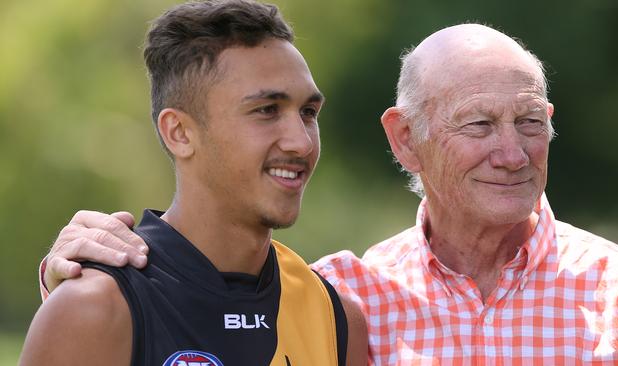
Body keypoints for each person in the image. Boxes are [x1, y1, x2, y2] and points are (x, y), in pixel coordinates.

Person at [35, 23, 618, 364]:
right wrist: (72, 293)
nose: (512, 153)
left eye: (530, 123)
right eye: (479, 125)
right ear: (405, 140)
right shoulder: (351, 298)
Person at [19, 1, 367, 365]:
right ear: (180, 132)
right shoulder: (92, 308)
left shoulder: (338, 318)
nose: (302, 142)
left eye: (308, 113)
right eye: (267, 110)